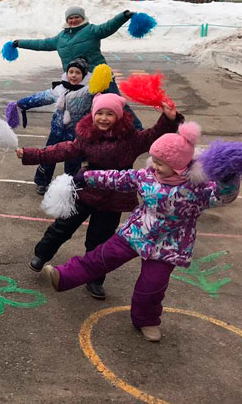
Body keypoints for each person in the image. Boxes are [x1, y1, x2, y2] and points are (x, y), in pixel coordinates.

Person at [42, 123, 239, 342]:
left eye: (161, 163)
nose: (154, 166)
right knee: (99, 258)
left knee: (152, 287)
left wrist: (228, 178)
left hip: (169, 245)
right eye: (153, 160)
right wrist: (86, 178)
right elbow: (117, 178)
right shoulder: (146, 176)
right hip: (135, 232)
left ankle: (145, 320)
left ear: (180, 166)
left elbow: (222, 196)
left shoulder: (198, 188)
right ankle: (64, 276)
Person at [16, 93, 181, 300]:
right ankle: (41, 254)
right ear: (93, 115)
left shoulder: (132, 139)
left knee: (100, 239)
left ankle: (94, 278)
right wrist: (31, 154)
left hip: (114, 197)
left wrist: (169, 118)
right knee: (63, 226)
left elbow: (155, 134)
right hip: (85, 190)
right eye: (99, 113)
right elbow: (61, 150)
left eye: (110, 114)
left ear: (119, 117)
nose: (103, 118)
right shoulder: (87, 137)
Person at [12, 6, 141, 128]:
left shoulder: (91, 30)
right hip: (76, 80)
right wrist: (19, 43)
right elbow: (41, 44)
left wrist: (123, 16)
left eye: (76, 17)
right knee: (84, 113)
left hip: (99, 79)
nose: (73, 20)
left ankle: (138, 130)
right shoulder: (60, 37)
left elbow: (108, 27)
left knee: (116, 104)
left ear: (82, 18)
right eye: (70, 18)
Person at [9, 57, 95, 194]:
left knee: (73, 162)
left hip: (76, 135)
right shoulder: (59, 89)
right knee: (48, 156)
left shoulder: (89, 92)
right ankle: (42, 182)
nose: (73, 75)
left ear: (84, 75)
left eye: (78, 73)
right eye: (71, 72)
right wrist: (20, 103)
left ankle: (71, 186)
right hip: (57, 131)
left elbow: (101, 105)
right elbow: (40, 98)